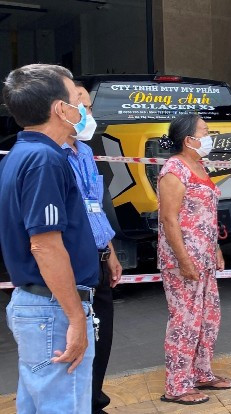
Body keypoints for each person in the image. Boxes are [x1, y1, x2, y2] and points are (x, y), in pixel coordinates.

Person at [0, 63, 100, 413]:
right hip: (52, 309)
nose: (82, 108)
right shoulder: (44, 159)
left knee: (38, 403)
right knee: (62, 405)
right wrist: (75, 318)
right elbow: (45, 244)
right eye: (76, 100)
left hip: (39, 305)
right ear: (60, 109)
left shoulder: (21, 153)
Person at [157, 114, 231, 405]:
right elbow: (169, 219)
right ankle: (176, 386)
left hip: (204, 258)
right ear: (188, 139)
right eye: (205, 131)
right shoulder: (174, 169)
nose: (209, 136)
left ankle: (201, 373)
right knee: (185, 322)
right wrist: (184, 260)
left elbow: (205, 215)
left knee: (208, 319)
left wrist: (215, 248)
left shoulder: (199, 165)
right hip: (183, 260)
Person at [63, 82, 124, 413]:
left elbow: (94, 206)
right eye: (82, 107)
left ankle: (94, 402)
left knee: (101, 341)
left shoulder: (84, 153)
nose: (89, 115)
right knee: (75, 344)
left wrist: (110, 252)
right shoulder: (51, 158)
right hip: (74, 266)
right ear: (61, 109)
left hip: (98, 260)